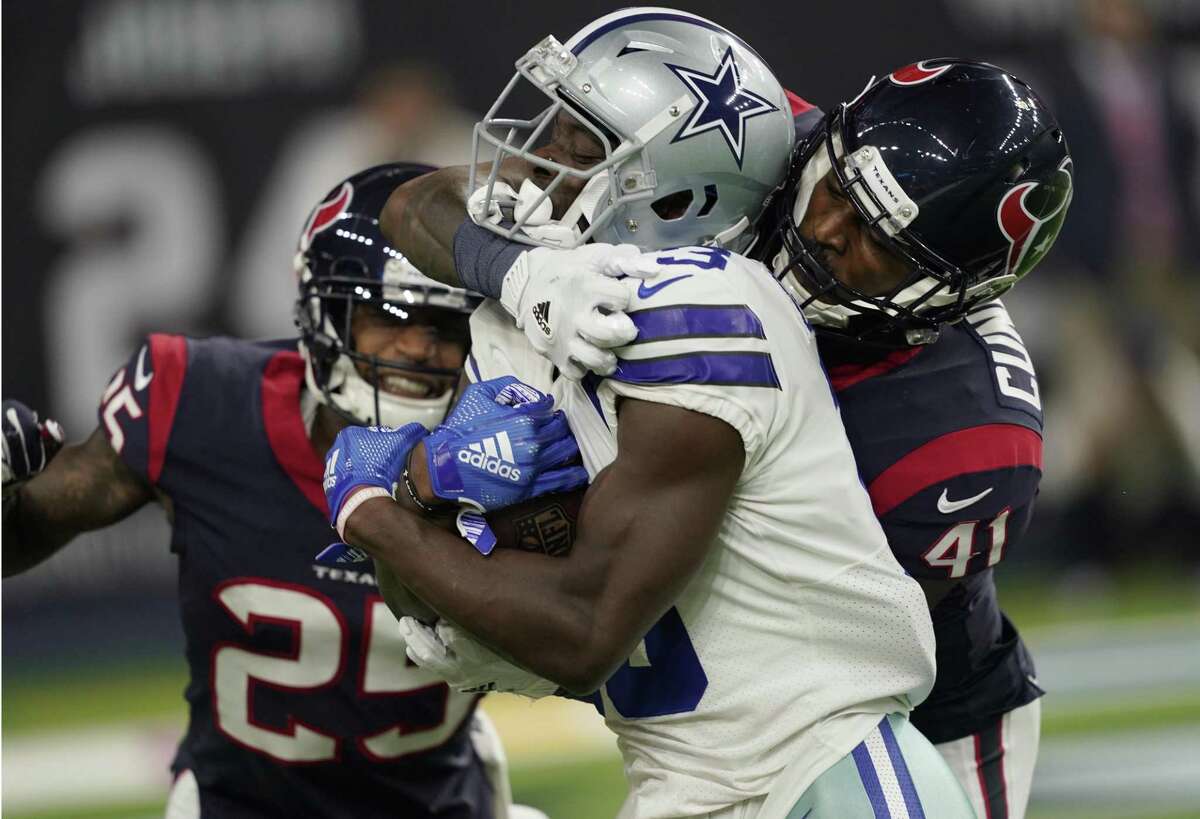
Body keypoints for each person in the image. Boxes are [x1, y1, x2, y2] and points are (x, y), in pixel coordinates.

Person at [325, 9, 972, 819]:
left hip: (820, 770)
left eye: (580, 141)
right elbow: (413, 202)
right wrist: (521, 277)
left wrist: (377, 509)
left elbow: (580, 629)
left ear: (676, 193)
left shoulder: (707, 305)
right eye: (556, 124)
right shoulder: (537, 315)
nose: (542, 158)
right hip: (679, 785)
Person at [1, 163, 550, 819]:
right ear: (326, 315)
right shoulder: (197, 400)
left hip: (439, 800)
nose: (418, 348)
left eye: (448, 328)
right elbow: (22, 532)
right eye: (390, 317)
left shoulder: (521, 445)